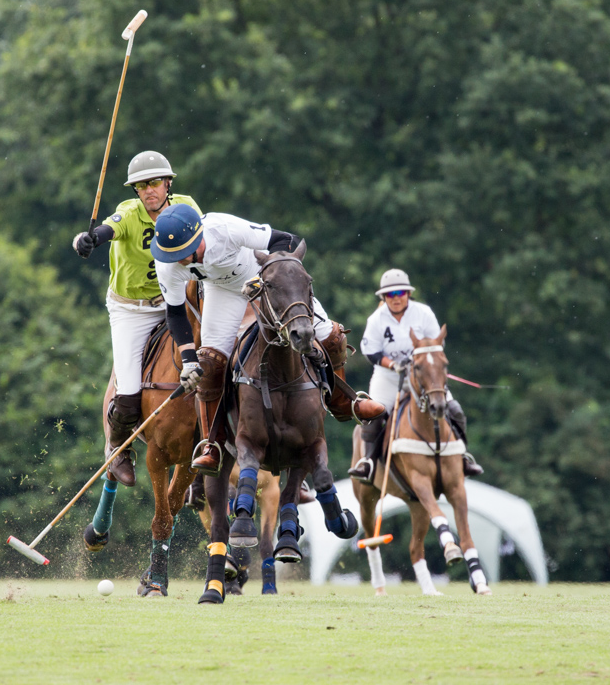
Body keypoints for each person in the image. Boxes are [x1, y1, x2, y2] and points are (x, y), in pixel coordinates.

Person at [149, 204, 385, 475]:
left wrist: (267, 276)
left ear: (199, 236)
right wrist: (189, 361)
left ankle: (346, 401)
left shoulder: (225, 229)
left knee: (331, 336)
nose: (180, 260)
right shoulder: (168, 261)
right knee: (210, 364)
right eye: (174, 255)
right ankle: (212, 444)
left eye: (183, 253)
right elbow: (176, 314)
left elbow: (287, 241)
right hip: (222, 292)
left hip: (265, 279)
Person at [71, 151, 201, 486]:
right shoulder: (130, 214)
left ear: (168, 183)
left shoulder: (186, 206)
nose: (149, 190)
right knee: (128, 392)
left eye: (155, 182)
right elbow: (106, 230)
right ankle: (117, 448)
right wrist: (87, 240)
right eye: (142, 185)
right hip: (132, 309)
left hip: (177, 299)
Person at [348, 268, 484, 481]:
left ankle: (464, 457)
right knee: (373, 413)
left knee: (454, 409)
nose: (395, 298)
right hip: (389, 377)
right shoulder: (376, 319)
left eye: (400, 293)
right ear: (384, 297)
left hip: (424, 375)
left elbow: (437, 344)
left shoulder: (423, 313)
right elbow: (371, 351)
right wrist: (393, 365)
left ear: (408, 294)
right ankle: (368, 462)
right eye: (390, 294)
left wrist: (418, 362)